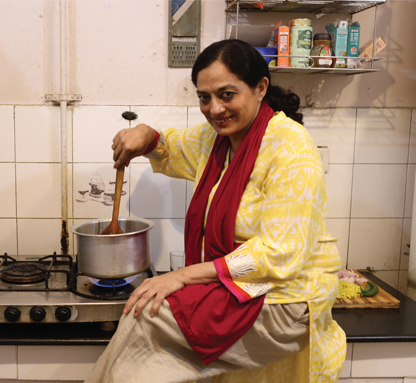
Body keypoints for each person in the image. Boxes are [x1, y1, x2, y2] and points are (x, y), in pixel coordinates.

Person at [86, 39, 346, 383]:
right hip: (242, 290)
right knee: (143, 315)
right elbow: (171, 145)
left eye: (227, 94)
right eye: (204, 97)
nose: (214, 109)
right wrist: (146, 134)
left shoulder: (291, 147)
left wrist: (179, 276)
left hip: (287, 299)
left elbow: (277, 254)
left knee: (147, 314)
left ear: (260, 88)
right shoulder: (217, 142)